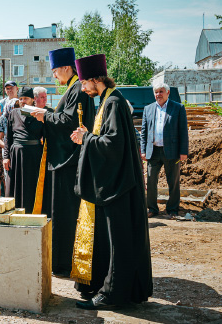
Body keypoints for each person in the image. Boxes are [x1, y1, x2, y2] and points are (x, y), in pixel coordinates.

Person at [70, 54, 152, 310]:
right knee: (120, 240)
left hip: (118, 185)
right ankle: (118, 291)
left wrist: (86, 138)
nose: (83, 88)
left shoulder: (113, 102)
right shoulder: (108, 99)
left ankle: (113, 295)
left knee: (120, 241)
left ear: (96, 79)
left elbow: (113, 144)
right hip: (117, 183)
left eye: (84, 82)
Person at [30, 47, 96, 278]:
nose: (54, 76)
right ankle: (60, 259)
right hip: (65, 159)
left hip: (68, 162)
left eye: (55, 71)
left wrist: (44, 116)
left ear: (67, 68)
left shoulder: (77, 88)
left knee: (66, 213)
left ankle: (65, 262)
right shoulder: (73, 88)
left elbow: (69, 121)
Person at [141, 82, 188, 218]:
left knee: (173, 182)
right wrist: (143, 150)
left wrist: (183, 151)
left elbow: (183, 131)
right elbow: (144, 132)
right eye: (156, 92)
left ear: (168, 93)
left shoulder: (178, 108)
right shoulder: (148, 109)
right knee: (150, 181)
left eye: (161, 92)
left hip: (172, 151)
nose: (158, 95)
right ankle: (152, 209)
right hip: (153, 151)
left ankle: (172, 209)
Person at [4, 87, 44, 212]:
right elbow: (8, 137)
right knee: (15, 186)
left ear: (33, 100)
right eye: (20, 99)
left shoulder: (41, 113)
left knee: (31, 186)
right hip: (16, 154)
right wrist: (6, 157)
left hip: (34, 155)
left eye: (26, 98)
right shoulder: (13, 114)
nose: (23, 101)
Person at [33, 85, 54, 218]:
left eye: (45, 97)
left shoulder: (50, 111)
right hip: (34, 152)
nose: (44, 100)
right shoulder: (31, 112)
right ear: (35, 99)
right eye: (41, 97)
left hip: (47, 152)